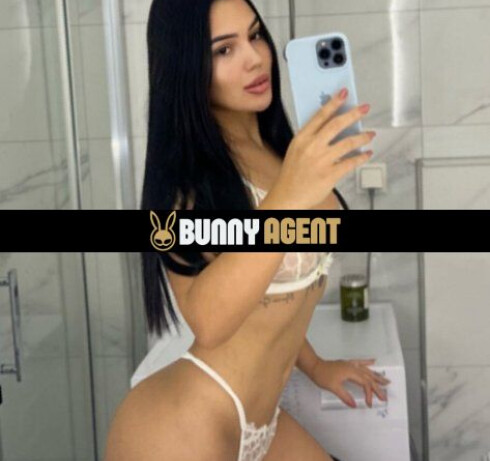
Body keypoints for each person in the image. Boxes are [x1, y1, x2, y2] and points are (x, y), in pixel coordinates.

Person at [104, 0, 390, 460]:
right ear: (187, 67)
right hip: (181, 431)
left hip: (262, 423)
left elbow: (277, 301)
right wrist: (288, 196)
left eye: (255, 35)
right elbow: (208, 321)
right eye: (223, 50)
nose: (255, 58)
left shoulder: (280, 153)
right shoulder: (185, 184)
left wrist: (316, 366)